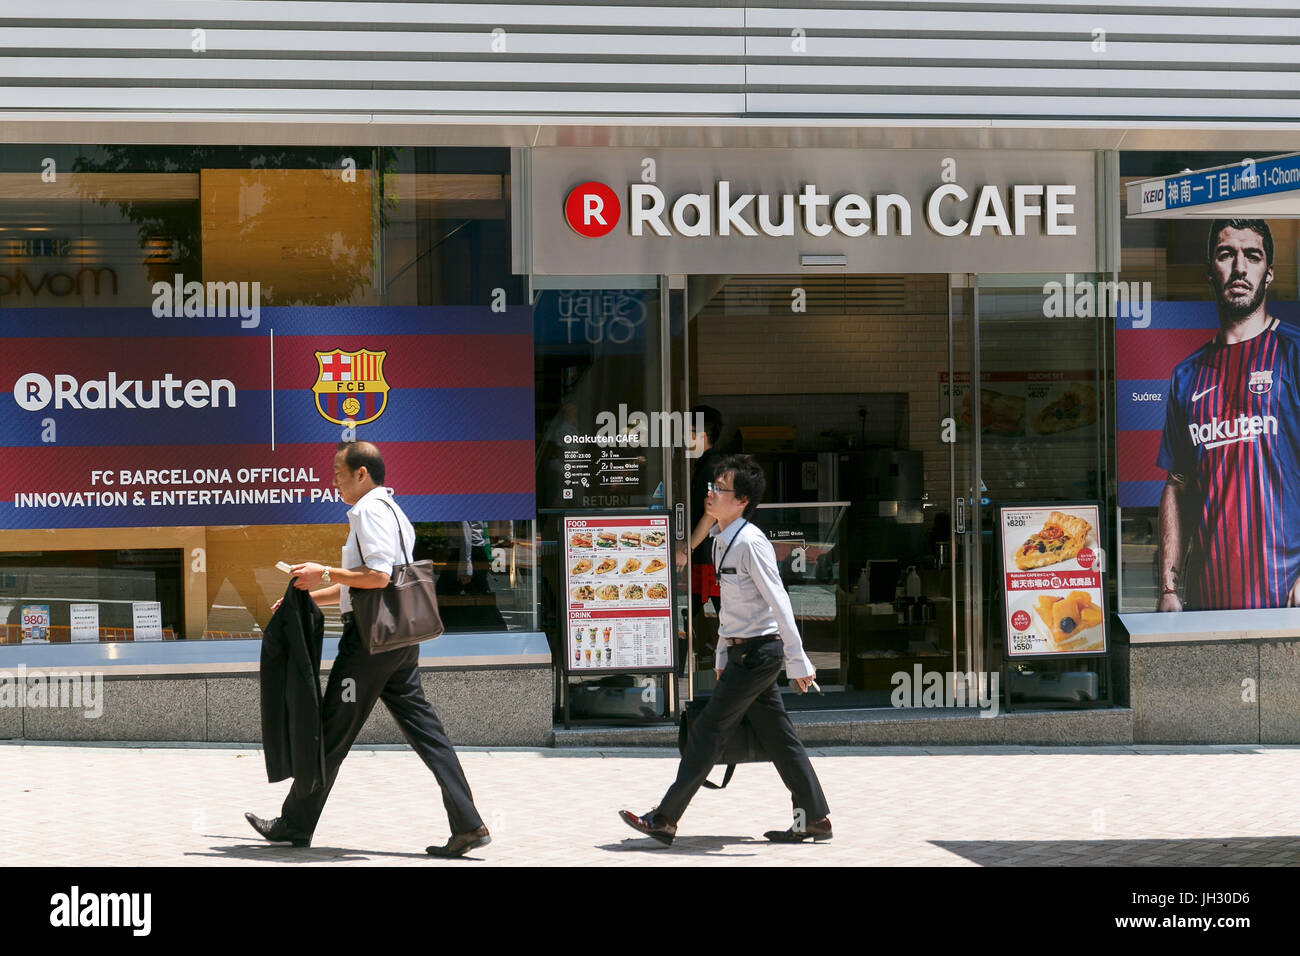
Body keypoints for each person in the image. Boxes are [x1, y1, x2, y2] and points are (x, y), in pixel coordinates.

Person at [245, 440, 490, 857]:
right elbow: (372, 582)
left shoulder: (368, 511)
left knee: (332, 729)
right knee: (427, 733)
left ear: (362, 474)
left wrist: (322, 569)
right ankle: (468, 823)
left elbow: (376, 577)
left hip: (370, 645)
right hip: (399, 641)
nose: (334, 481)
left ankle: (294, 823)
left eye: (339, 473)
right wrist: (305, 598)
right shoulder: (394, 510)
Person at [620, 454, 832, 845]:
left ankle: (665, 818)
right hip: (743, 653)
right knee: (781, 740)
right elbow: (730, 608)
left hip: (759, 654)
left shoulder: (751, 544)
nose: (711, 493)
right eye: (711, 487)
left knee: (708, 732)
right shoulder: (720, 542)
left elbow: (779, 601)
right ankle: (814, 817)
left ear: (742, 501)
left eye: (721, 489)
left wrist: (798, 660)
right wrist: (721, 654)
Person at [1157, 218, 1300, 611]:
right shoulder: (1187, 375)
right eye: (1226, 255)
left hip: (1287, 604)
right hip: (1207, 604)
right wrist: (1169, 588)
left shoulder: (1293, 355)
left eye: (1252, 256)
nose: (1239, 268)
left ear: (1268, 273)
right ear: (1210, 271)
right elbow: (1176, 484)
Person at [675, 405, 723, 675]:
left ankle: (674, 675)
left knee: (689, 616)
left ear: (701, 434)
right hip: (707, 558)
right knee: (720, 618)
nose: (684, 439)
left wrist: (688, 548)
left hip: (709, 559)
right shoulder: (708, 465)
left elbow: (712, 513)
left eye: (688, 432)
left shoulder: (711, 467)